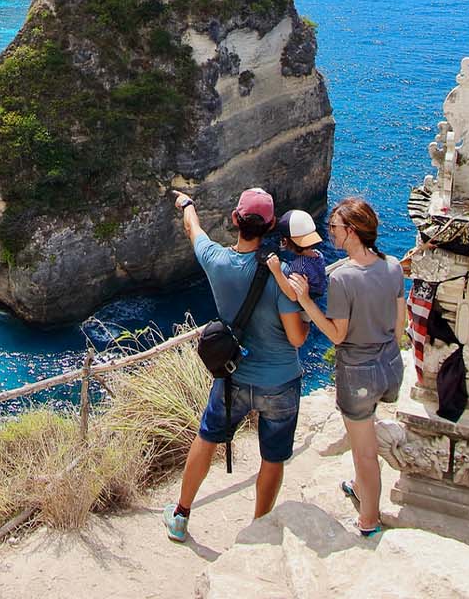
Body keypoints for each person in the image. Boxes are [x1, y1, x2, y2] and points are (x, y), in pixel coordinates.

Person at [167, 187, 310, 544]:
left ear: (235, 220)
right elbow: (296, 339)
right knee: (272, 458)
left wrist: (187, 204)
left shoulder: (216, 260)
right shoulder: (282, 275)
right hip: (279, 381)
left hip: (233, 377)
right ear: (272, 225)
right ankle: (259, 526)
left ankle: (181, 515)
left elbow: (193, 230)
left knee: (207, 437)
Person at [269, 196, 405, 538]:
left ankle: (369, 521)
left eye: (335, 227)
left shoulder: (343, 279)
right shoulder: (392, 267)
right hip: (389, 365)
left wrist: (304, 301)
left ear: (352, 231)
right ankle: (361, 489)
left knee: (365, 452)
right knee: (366, 431)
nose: (330, 232)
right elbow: (400, 326)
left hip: (359, 372)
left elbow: (336, 335)